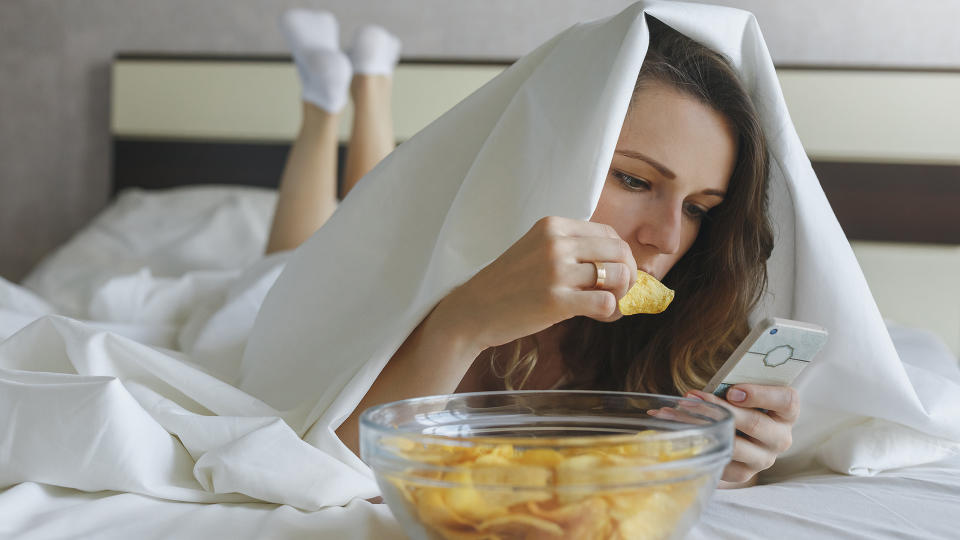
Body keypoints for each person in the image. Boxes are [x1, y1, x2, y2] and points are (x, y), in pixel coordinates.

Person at [267, 9, 792, 489]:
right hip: (306, 283)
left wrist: (729, 460)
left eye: (698, 208)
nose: (668, 238)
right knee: (302, 251)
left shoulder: (681, 342)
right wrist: (460, 325)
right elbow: (329, 469)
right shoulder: (441, 272)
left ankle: (360, 86)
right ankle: (328, 104)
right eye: (634, 180)